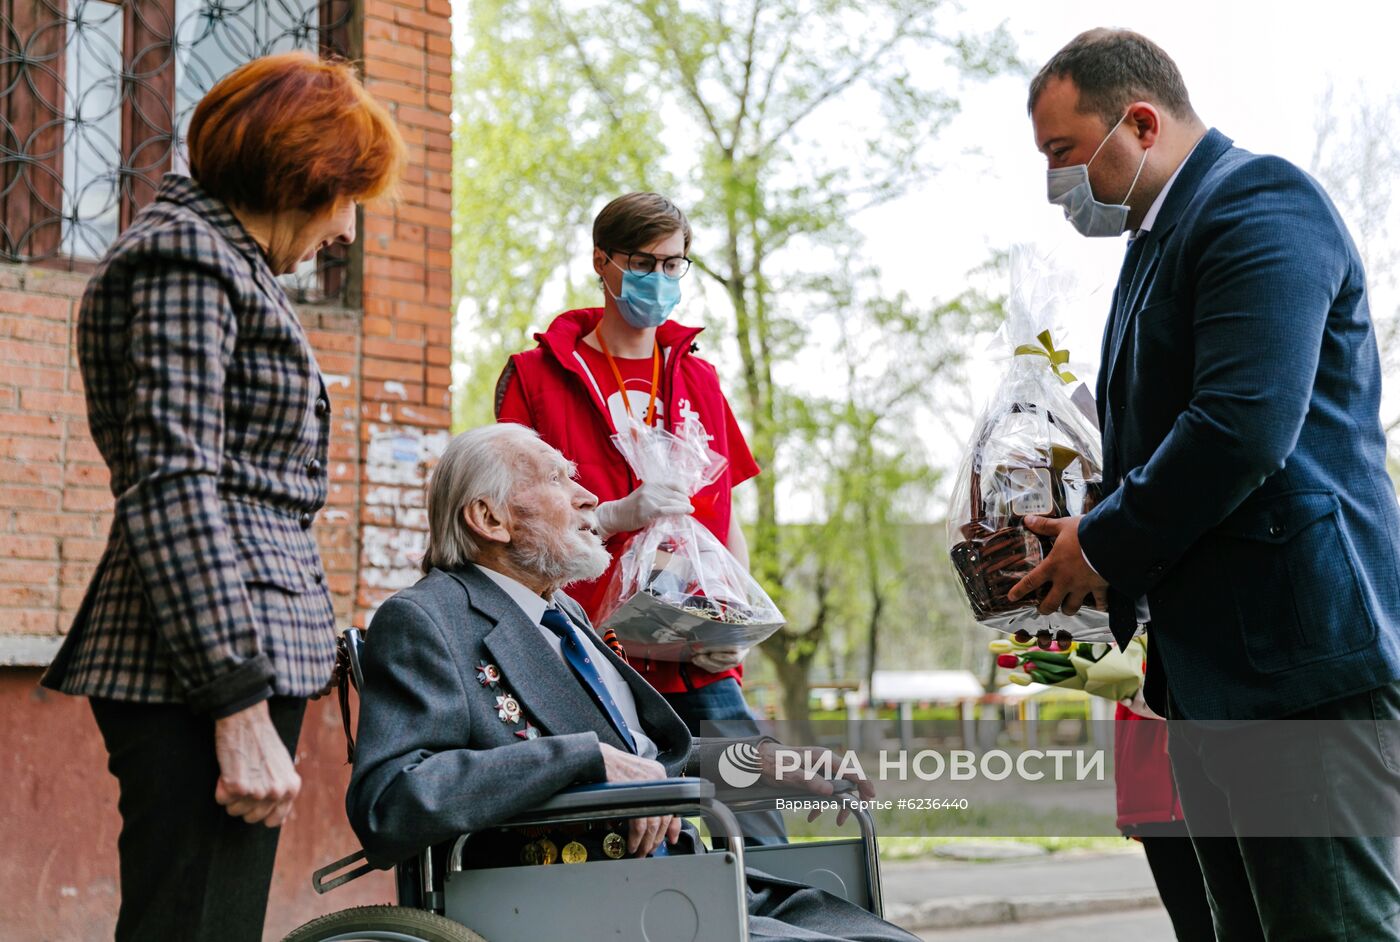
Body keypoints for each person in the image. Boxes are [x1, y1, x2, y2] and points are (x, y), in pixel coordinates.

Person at [1016, 28, 1400, 939]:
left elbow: (1240, 428)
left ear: (1139, 122)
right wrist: (1074, 518)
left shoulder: (1260, 205)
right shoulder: (1157, 242)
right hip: (1217, 675)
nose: (1055, 185)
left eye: (1063, 153)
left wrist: (1101, 545)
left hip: (1297, 668)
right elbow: (1167, 440)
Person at [40, 52, 405, 942]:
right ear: (304, 174)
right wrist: (235, 705)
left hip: (218, 655)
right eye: (347, 197)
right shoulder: (185, 258)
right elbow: (172, 484)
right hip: (198, 672)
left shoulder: (221, 262)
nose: (348, 231)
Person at [347, 423, 916, 942]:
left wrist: (762, 763)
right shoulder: (426, 619)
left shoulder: (561, 613)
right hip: (585, 899)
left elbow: (644, 760)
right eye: (556, 477)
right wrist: (583, 757)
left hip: (681, 878)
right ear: (490, 519)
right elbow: (389, 802)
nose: (588, 494)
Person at [495, 193, 782, 842]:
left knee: (760, 837)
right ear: (602, 262)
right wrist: (616, 515)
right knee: (641, 848)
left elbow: (725, 519)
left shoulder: (698, 379)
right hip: (594, 659)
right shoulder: (538, 378)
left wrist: (732, 627)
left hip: (699, 658)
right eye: (644, 263)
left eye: (675, 263)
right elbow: (512, 527)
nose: (661, 278)